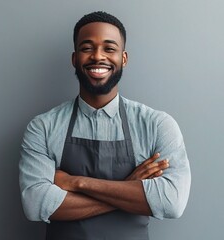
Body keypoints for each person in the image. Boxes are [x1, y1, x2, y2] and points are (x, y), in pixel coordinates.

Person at [19, 11, 191, 240]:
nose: (98, 56)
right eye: (87, 48)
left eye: (109, 48)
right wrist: (129, 188)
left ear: (124, 58)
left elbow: (171, 202)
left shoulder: (157, 125)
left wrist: (75, 183)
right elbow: (36, 204)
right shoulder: (43, 127)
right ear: (74, 58)